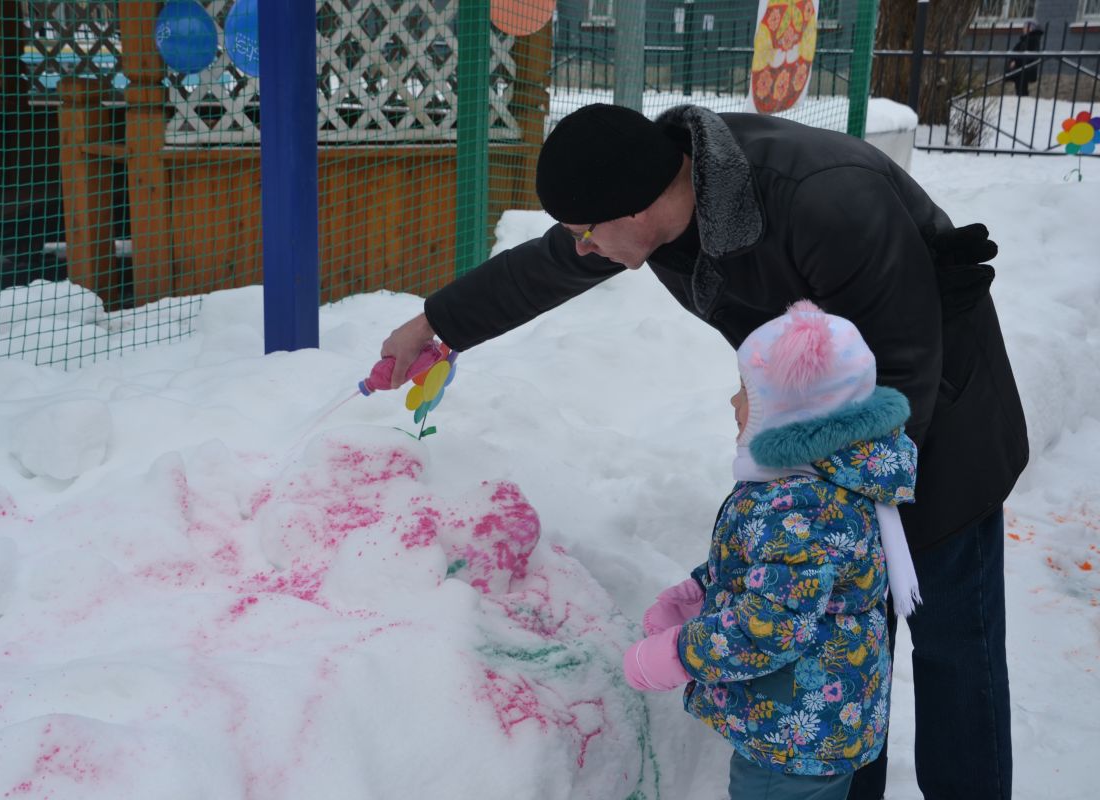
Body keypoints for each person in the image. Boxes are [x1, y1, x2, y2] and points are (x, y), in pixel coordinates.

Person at [377, 103, 1028, 800]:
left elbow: (903, 362)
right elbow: (550, 263)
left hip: (938, 420)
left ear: (635, 207)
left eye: (586, 232)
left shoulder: (825, 199)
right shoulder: (657, 191)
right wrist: (436, 322)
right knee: (841, 650)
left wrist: (822, 504)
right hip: (813, 444)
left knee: (952, 644)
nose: (582, 247)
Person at [624, 299, 920, 800]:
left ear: (787, 416)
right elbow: (776, 571)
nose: (733, 402)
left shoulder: (800, 505)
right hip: (810, 721)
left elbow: (770, 627)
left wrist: (679, 654)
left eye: (747, 393)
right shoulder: (822, 483)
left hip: (793, 736)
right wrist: (702, 590)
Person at [1005, 21, 1044, 97]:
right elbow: (1016, 52)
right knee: (1020, 87)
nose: (1024, 29)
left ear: (1031, 29)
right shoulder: (1025, 39)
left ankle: (1022, 99)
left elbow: (1027, 55)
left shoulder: (1031, 39)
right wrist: (1013, 60)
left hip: (1024, 68)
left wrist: (1016, 61)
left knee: (1022, 89)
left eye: (1026, 27)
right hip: (1021, 67)